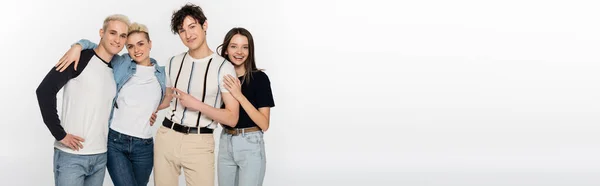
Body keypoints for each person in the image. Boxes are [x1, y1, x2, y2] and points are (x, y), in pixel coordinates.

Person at [55, 23, 170, 186]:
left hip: (144, 147)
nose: (136, 50)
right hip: (116, 142)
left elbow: (171, 96)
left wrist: (152, 111)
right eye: (130, 46)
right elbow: (99, 49)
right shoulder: (121, 64)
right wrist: (79, 45)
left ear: (150, 44)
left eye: (141, 44)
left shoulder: (164, 73)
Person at [36, 14, 130, 186]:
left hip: (100, 156)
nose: (117, 40)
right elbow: (44, 91)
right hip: (71, 156)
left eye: (122, 36)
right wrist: (60, 134)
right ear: (102, 32)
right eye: (113, 33)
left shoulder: (115, 69)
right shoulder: (80, 57)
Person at [153, 3, 239, 186]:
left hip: (200, 142)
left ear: (204, 25)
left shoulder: (224, 67)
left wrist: (196, 104)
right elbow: (167, 100)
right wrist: (147, 109)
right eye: (182, 30)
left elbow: (232, 118)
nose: (188, 34)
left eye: (192, 27)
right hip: (167, 137)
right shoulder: (173, 62)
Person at [217, 27, 275, 186]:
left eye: (245, 47)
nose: (239, 51)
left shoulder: (260, 78)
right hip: (225, 141)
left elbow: (264, 124)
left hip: (250, 143)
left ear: (250, 51)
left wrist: (239, 95)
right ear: (226, 50)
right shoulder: (220, 78)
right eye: (234, 46)